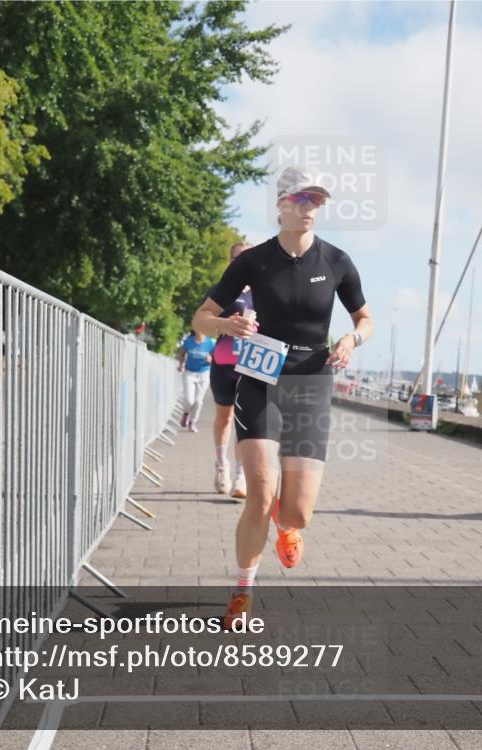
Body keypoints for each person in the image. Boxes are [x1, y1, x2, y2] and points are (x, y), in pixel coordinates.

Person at [191, 166, 373, 628]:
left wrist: (353, 340)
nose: (310, 208)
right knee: (260, 491)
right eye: (301, 199)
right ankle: (243, 592)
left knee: (297, 510)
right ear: (280, 205)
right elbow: (200, 318)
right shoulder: (253, 262)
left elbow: (364, 318)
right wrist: (225, 325)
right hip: (260, 376)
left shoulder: (337, 261)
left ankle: (287, 526)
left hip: (312, 380)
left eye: (316, 201)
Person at [207, 242, 255, 499]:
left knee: (243, 421)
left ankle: (240, 476)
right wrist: (225, 324)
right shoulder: (221, 291)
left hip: (250, 365)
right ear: (230, 261)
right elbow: (204, 322)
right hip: (224, 364)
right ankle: (220, 465)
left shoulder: (263, 292)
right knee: (224, 418)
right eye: (238, 258)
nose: (243, 262)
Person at [177, 329, 215, 432]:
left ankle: (192, 422)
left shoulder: (210, 343)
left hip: (203, 373)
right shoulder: (189, 341)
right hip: (189, 373)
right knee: (189, 400)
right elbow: (182, 354)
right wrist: (180, 365)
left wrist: (210, 359)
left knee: (198, 401)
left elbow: (215, 358)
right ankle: (185, 413)